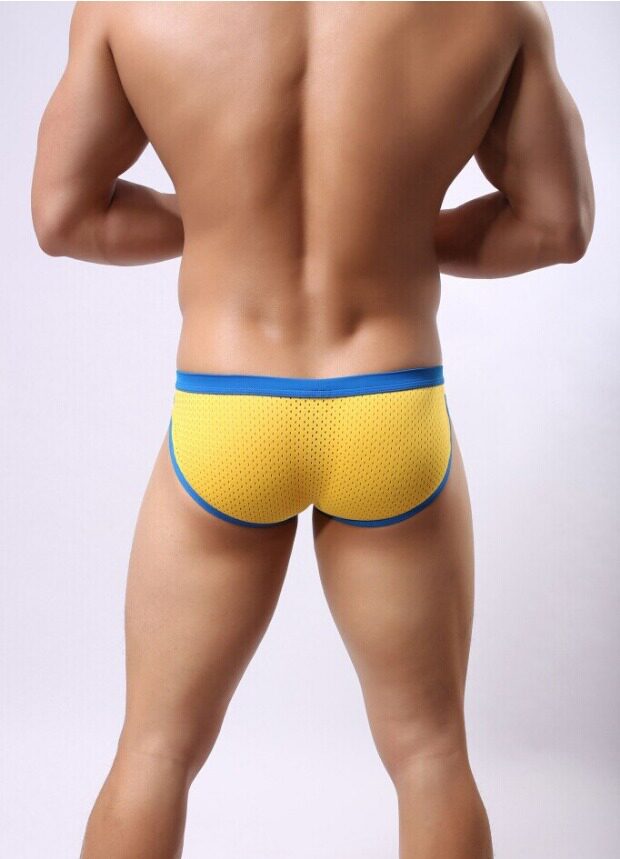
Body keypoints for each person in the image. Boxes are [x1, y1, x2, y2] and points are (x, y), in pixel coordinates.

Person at [31, 2, 594, 858]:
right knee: (432, 756)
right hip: (390, 405)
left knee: (155, 751)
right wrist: (395, 234)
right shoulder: (497, 8)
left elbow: (63, 217)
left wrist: (221, 218)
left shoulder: (128, 6)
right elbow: (557, 226)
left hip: (227, 407)